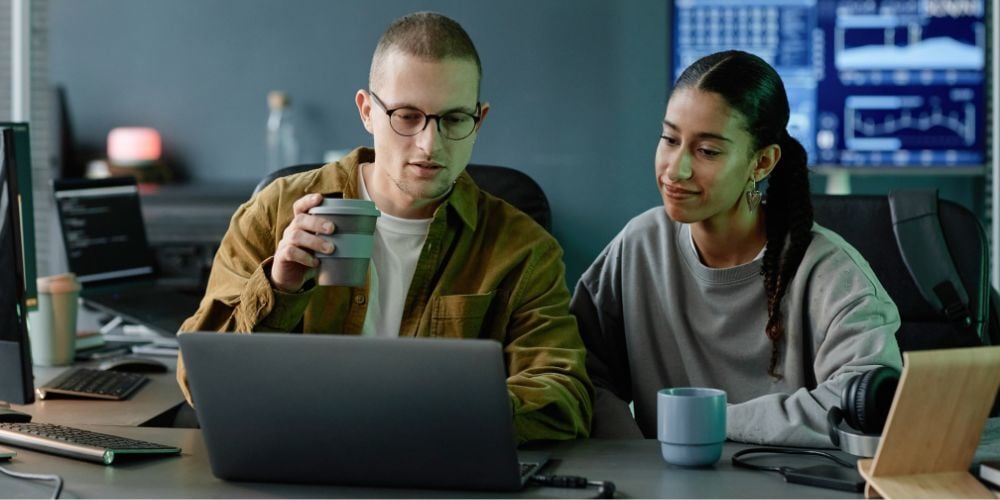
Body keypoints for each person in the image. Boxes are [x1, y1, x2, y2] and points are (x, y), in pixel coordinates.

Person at [176, 12, 592, 444]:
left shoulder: (522, 249)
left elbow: (565, 395)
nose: (430, 145)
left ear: (479, 120)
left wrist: (444, 414)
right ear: (367, 111)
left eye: (453, 120)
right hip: (297, 462)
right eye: (407, 117)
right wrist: (279, 286)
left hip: (440, 470)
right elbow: (199, 385)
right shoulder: (275, 210)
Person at [571, 50, 901, 447]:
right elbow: (579, 369)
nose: (676, 169)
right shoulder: (639, 245)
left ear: (761, 163)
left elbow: (869, 401)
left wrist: (704, 424)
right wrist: (634, 455)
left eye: (707, 151)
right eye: (669, 139)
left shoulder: (831, 272)